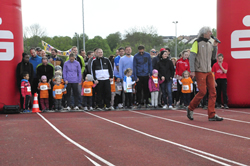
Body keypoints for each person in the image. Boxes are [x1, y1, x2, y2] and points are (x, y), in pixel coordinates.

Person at [187, 26, 223, 121]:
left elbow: (213, 57)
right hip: (200, 70)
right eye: (209, 32)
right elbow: (192, 57)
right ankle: (190, 108)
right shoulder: (197, 42)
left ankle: (212, 114)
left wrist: (215, 46)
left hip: (208, 70)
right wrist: (192, 70)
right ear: (204, 33)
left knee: (213, 92)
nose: (211, 33)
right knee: (202, 92)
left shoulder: (210, 43)